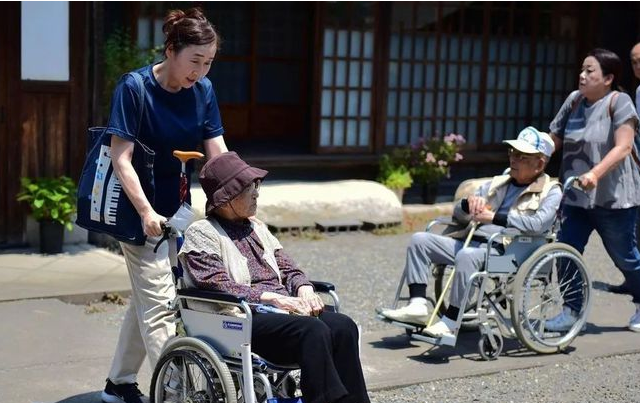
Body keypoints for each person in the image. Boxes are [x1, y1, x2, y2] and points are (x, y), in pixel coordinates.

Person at [101, 8, 229, 403]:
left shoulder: (203, 91)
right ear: (172, 50)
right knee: (160, 305)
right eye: (195, 61)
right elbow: (120, 158)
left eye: (208, 63)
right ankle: (174, 394)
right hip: (137, 212)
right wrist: (145, 212)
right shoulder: (134, 88)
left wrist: (238, 192)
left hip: (178, 207)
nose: (201, 72)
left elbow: (217, 152)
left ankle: (118, 385)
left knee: (151, 297)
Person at [177, 152, 370, 403]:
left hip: (282, 314)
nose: (256, 193)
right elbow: (216, 283)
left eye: (255, 186)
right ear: (226, 199)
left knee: (343, 326)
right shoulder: (201, 233)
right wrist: (272, 299)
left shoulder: (257, 228)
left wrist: (303, 289)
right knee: (313, 331)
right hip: (240, 319)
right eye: (248, 188)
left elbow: (288, 268)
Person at [380, 127, 562, 337]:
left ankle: (450, 322)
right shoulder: (497, 183)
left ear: (540, 163)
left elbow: (538, 225)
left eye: (522, 156)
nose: (513, 159)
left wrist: (494, 218)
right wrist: (467, 205)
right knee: (420, 240)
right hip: (472, 240)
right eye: (512, 153)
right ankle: (418, 305)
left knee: (467, 256)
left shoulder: (552, 191)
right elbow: (458, 215)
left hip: (511, 254)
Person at [547, 48, 640, 333]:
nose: (583, 76)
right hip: (575, 196)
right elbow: (553, 139)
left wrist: (595, 173)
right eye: (582, 70)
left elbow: (623, 146)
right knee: (564, 251)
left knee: (625, 256)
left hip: (614, 198)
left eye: (590, 71)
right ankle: (572, 309)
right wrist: (525, 158)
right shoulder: (574, 101)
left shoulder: (620, 102)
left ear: (608, 78)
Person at [609, 42, 640, 296]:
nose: (638, 66)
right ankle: (633, 281)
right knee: (634, 229)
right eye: (634, 61)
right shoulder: (637, 92)